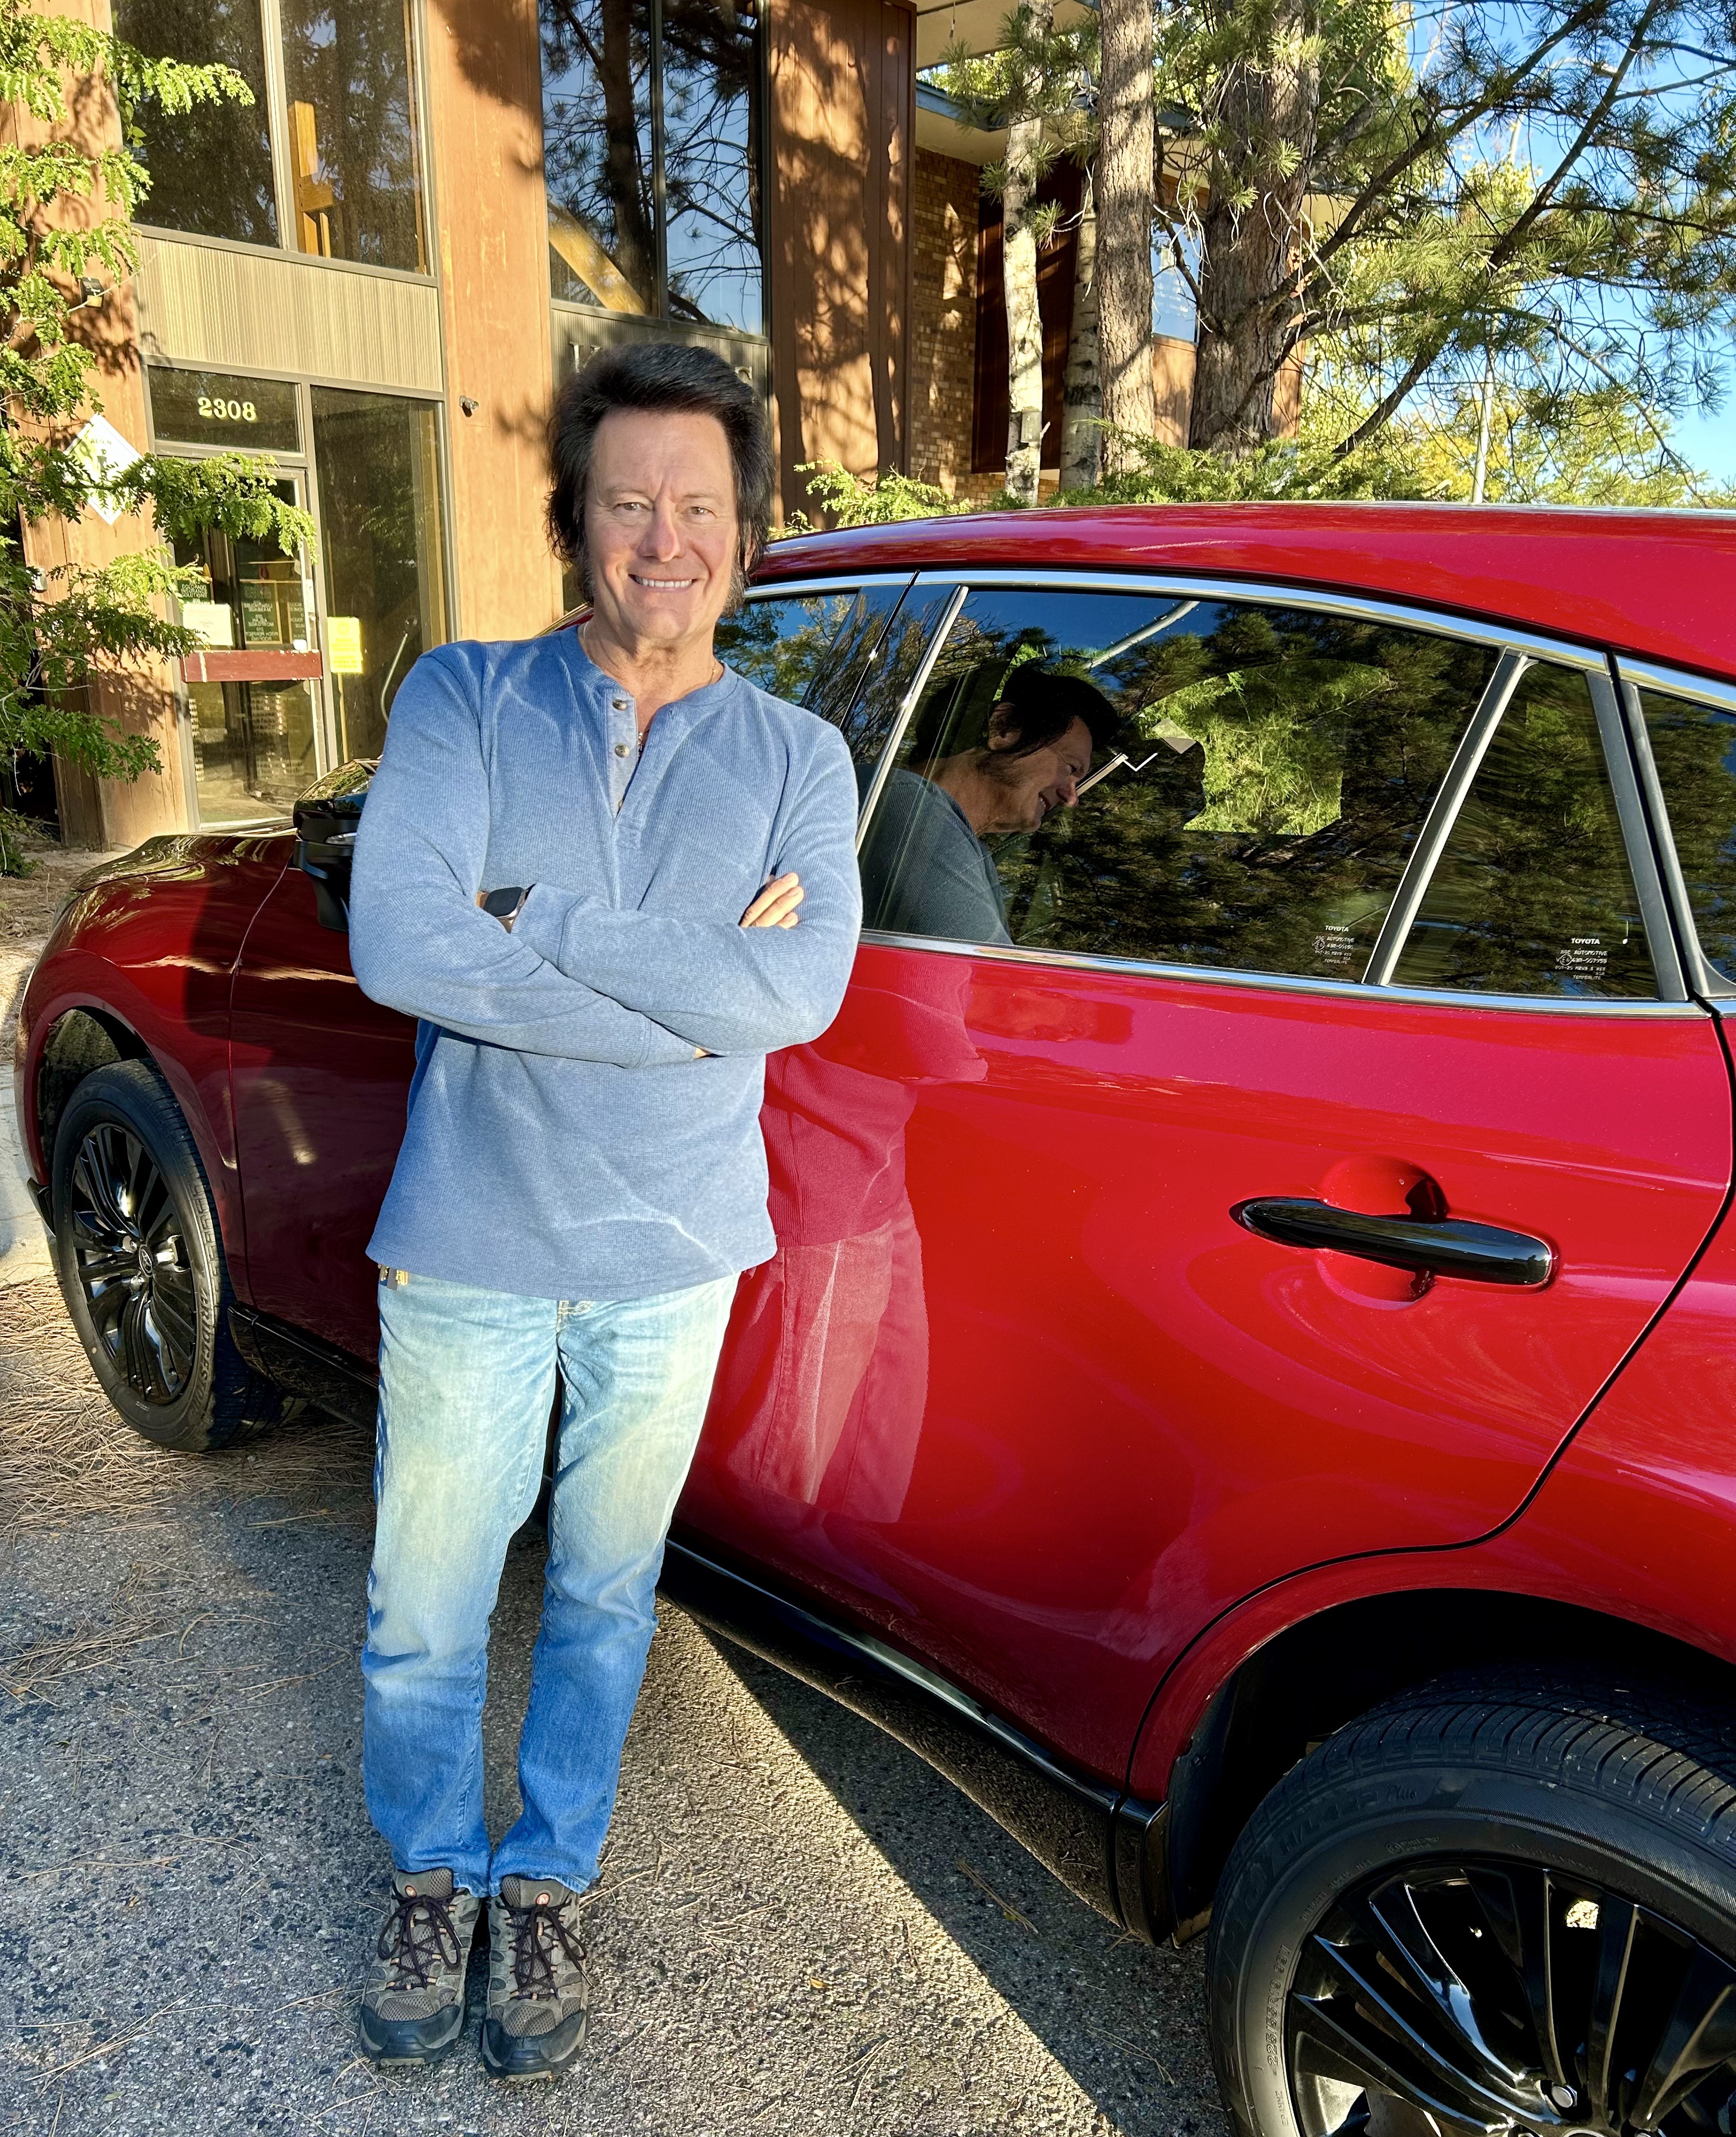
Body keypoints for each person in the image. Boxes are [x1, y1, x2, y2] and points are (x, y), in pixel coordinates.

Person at [344, 342, 861, 2082]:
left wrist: (538, 917)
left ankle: (546, 1876)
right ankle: (433, 1872)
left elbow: (803, 993)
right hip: (470, 1234)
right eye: (629, 500)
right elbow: (404, 940)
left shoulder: (799, 756)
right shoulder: (464, 699)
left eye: (698, 504)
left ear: (746, 530)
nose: (664, 537)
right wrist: (694, 998)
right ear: (575, 519)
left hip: (672, 1255)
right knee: (427, 1598)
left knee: (605, 1594)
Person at [859, 662, 1120, 943]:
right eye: (1071, 768)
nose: (1071, 798)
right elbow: (978, 969)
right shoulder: (908, 807)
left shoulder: (958, 841)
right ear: (1004, 729)